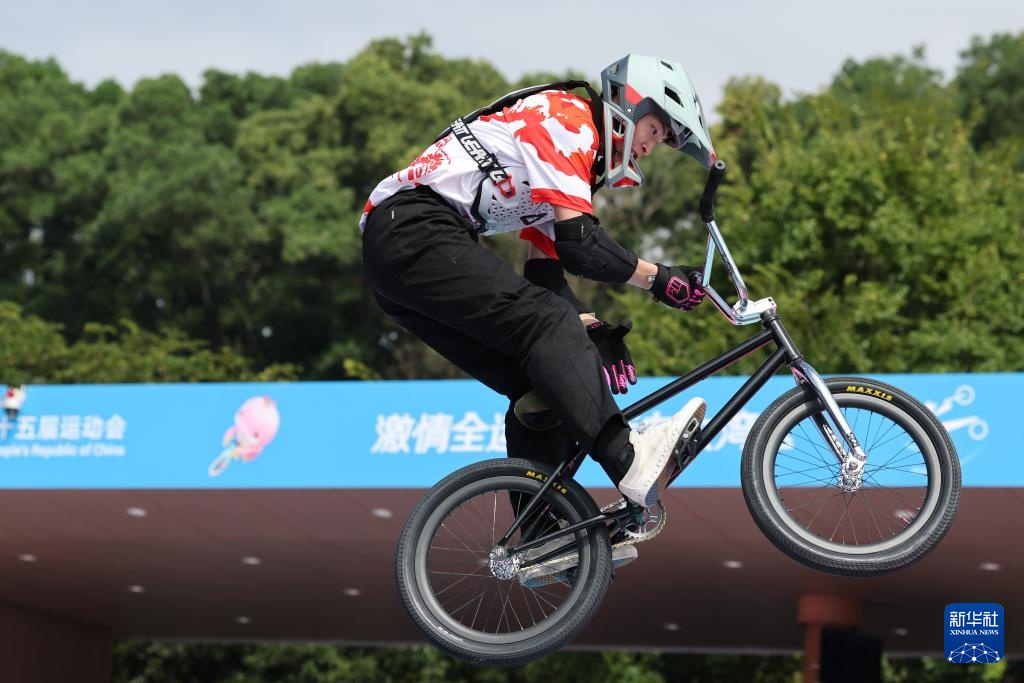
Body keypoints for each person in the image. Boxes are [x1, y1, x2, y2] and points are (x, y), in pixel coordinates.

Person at [360, 54, 715, 585]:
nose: (649, 148)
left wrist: (588, 328)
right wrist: (658, 278)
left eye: (660, 142)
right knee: (547, 326)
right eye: (654, 131)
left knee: (541, 384)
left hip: (403, 260)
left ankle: (543, 537)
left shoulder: (576, 169)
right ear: (631, 105)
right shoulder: (568, 120)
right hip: (411, 229)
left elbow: (546, 274)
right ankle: (628, 457)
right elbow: (580, 245)